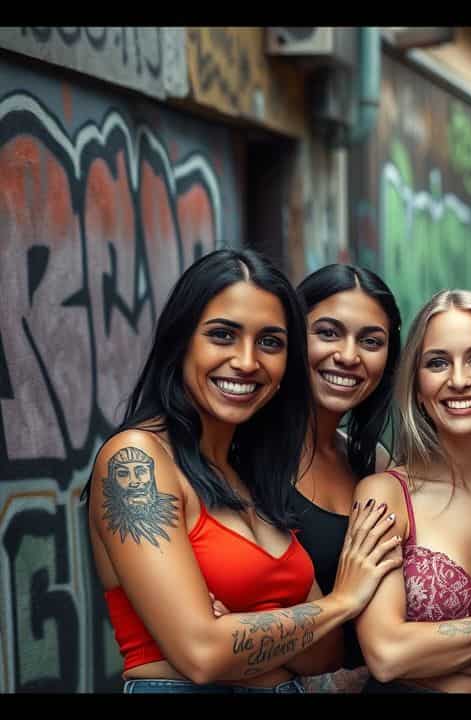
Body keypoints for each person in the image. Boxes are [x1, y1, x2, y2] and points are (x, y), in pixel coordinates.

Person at [89, 249, 401, 693]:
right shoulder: (136, 458)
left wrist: (241, 629)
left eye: (270, 342)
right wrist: (341, 602)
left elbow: (327, 652)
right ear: (181, 340)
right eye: (222, 335)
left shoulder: (251, 469)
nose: (247, 361)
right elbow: (202, 655)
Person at [352, 290, 471, 693]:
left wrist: (429, 657)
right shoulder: (385, 495)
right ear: (417, 386)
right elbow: (386, 654)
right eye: (437, 363)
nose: (458, 380)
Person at [287, 264, 401, 691]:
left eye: (371, 341)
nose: (349, 355)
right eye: (329, 333)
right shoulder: (245, 457)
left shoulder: (373, 462)